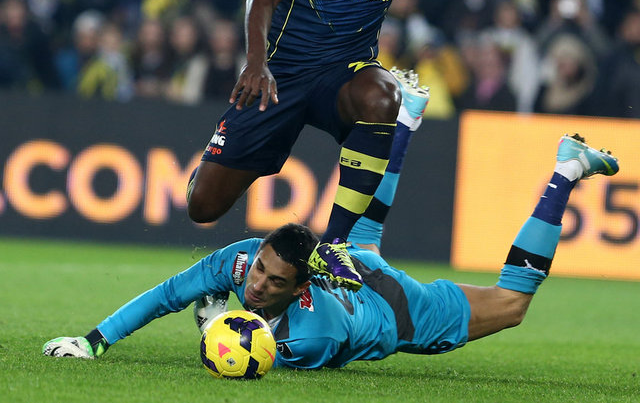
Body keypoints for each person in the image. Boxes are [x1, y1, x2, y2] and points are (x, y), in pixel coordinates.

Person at [186, 0, 555, 291]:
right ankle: (227, 159)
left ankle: (333, 245)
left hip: (344, 71)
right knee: (203, 207)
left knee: (384, 96)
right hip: (281, 74)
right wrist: (256, 63)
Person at [43, 134, 618, 368]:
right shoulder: (241, 260)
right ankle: (405, 120)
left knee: (512, 304)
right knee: (358, 241)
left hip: (398, 310)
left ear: (301, 286)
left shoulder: (312, 337)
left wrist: (214, 327)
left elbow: (248, 357)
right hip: (352, 267)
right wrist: (93, 341)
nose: (256, 284)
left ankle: (566, 170)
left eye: (274, 282)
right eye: (260, 269)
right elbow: (167, 295)